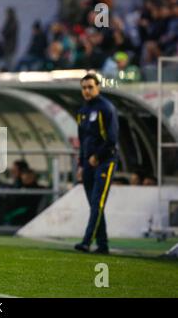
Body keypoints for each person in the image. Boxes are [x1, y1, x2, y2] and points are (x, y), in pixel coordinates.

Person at [75, 73, 119, 255]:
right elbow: (82, 139)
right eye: (84, 87)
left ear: (98, 87)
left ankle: (87, 241)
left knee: (97, 203)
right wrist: (81, 163)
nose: (87, 90)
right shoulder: (82, 111)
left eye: (90, 87)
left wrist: (97, 156)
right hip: (87, 163)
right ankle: (103, 245)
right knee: (94, 204)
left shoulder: (106, 108)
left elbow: (112, 138)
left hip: (105, 161)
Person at [0, 7, 19, 71]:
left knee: (10, 64)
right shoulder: (8, 22)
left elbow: (6, 32)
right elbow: (2, 31)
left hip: (10, 46)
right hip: (7, 46)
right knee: (7, 63)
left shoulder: (13, 22)